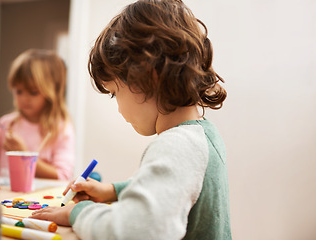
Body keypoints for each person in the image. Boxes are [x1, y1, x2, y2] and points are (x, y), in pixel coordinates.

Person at [31, 0, 232, 239]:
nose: (117, 108)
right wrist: (112, 191)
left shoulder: (177, 146)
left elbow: (133, 231)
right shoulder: (203, 134)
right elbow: (176, 187)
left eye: (115, 93)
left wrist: (79, 212)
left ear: (148, 77)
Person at [0, 49, 75, 181]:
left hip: (40, 200)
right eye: (19, 91)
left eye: (33, 92)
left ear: (51, 93)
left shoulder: (61, 129)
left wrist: (24, 155)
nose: (24, 99)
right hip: (6, 198)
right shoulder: (7, 123)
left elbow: (62, 176)